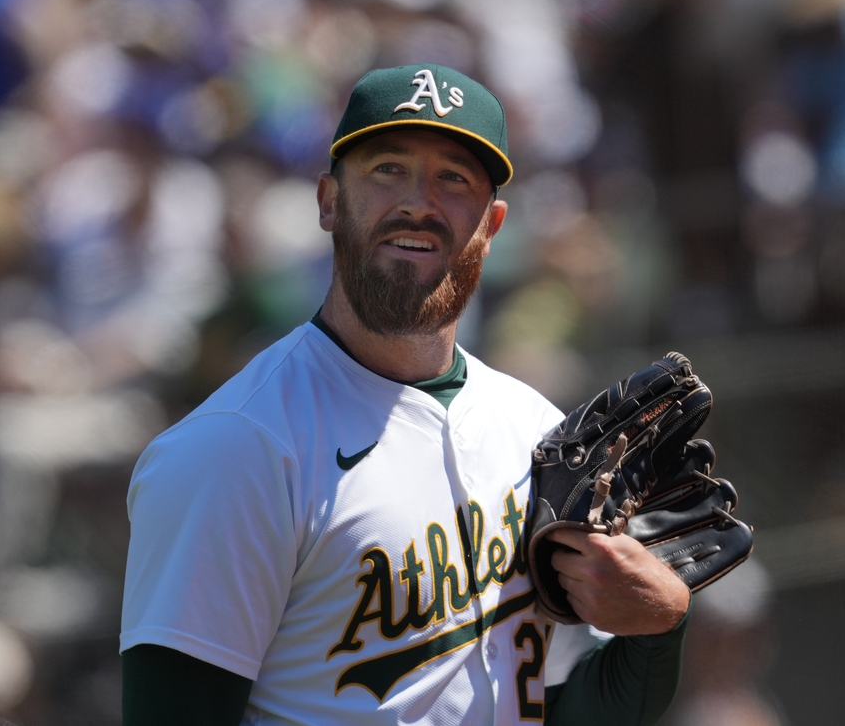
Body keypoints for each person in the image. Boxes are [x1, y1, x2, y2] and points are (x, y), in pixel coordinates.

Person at [120, 63, 691, 725]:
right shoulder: (236, 448)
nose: (418, 201)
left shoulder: (536, 431)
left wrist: (658, 624)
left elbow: (564, 710)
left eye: (453, 178)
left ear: (492, 222)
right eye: (387, 168)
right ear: (328, 200)